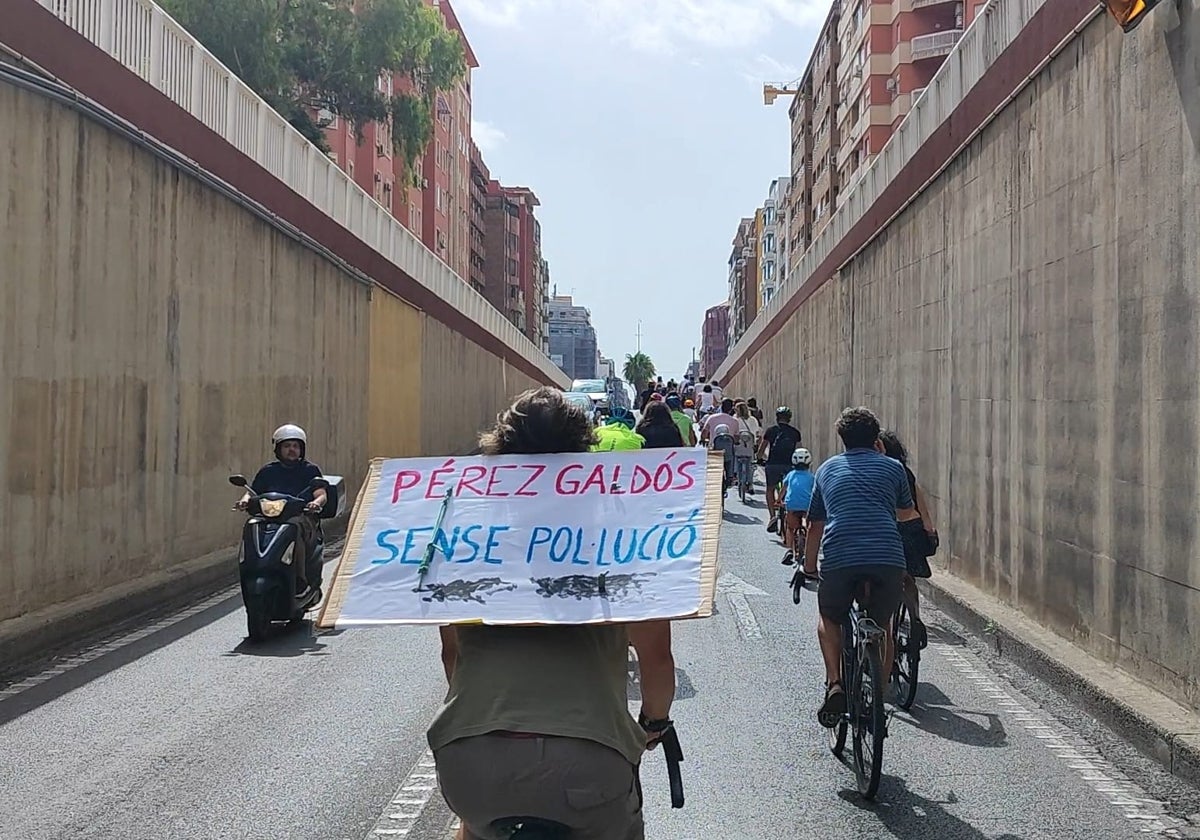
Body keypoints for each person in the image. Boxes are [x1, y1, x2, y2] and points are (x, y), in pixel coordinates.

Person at [430, 388, 676, 840]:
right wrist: (652, 723)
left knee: (471, 827)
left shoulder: (468, 540)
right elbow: (657, 658)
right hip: (589, 765)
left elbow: (453, 656)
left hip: (470, 765)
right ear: (584, 448)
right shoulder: (616, 540)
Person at [801, 407, 916, 728]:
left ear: (842, 439)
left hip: (840, 557)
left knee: (829, 617)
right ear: (876, 438)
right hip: (887, 558)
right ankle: (877, 699)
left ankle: (835, 682)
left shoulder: (826, 470)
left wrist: (808, 566)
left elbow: (815, 524)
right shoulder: (894, 468)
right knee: (883, 628)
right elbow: (906, 513)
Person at [236, 424, 328, 592]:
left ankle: (301, 579)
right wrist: (244, 500)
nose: (291, 450)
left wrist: (316, 503)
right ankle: (251, 567)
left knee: (296, 527)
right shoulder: (268, 471)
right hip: (270, 517)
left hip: (300, 516)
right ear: (278, 449)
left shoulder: (310, 470)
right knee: (252, 524)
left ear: (302, 449)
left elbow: (321, 493)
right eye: (286, 446)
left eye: (295, 446)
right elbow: (252, 492)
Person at [879, 430, 938, 650]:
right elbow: (919, 504)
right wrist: (929, 531)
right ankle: (914, 618)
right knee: (907, 577)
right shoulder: (906, 473)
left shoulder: (874, 470)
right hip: (911, 529)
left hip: (886, 529)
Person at [757, 407, 802, 533]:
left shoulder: (771, 431)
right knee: (788, 489)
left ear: (777, 418)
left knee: (770, 489)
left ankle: (772, 516)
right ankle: (789, 513)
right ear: (789, 418)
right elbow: (799, 450)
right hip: (789, 466)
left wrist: (759, 458)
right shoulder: (795, 433)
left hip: (773, 464)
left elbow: (762, 447)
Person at [779, 448, 815, 566]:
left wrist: (778, 500)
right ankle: (806, 538)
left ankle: (789, 549)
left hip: (792, 504)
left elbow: (783, 490)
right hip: (807, 505)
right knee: (809, 525)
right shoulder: (811, 477)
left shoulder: (790, 475)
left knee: (790, 527)